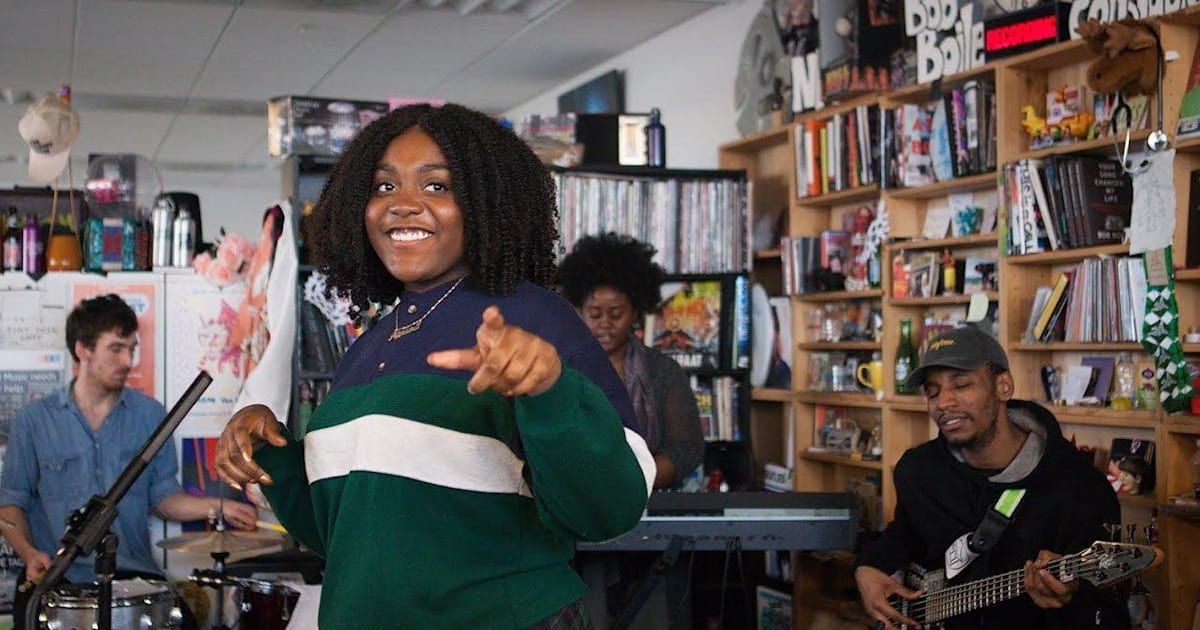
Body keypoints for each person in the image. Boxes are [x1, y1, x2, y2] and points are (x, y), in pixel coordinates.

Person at [214, 102, 655, 629]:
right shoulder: (363, 349)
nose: (403, 206)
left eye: (436, 186)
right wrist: (268, 453)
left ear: (485, 204)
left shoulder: (534, 316)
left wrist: (550, 392)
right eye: (383, 187)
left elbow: (611, 509)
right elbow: (346, 535)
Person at [0, 294, 258, 629]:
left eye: (132, 348)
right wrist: (29, 553)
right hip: (60, 579)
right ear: (83, 350)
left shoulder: (151, 414)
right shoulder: (33, 421)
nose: (128, 360)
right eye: (117, 348)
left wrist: (218, 507)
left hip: (135, 576)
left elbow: (164, 498)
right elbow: (9, 506)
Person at [854, 324, 1128, 630]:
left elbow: (1109, 614)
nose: (943, 402)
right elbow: (904, 534)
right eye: (932, 391)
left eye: (961, 385)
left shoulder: (1081, 490)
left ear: (1004, 387)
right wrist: (868, 567)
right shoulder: (918, 470)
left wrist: (1069, 598)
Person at [558, 232, 704, 489]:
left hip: (647, 500)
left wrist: (631, 486)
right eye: (594, 314)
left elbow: (686, 449)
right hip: (580, 501)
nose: (605, 324)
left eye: (616, 313)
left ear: (636, 311)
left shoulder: (663, 371)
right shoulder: (561, 369)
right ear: (581, 311)